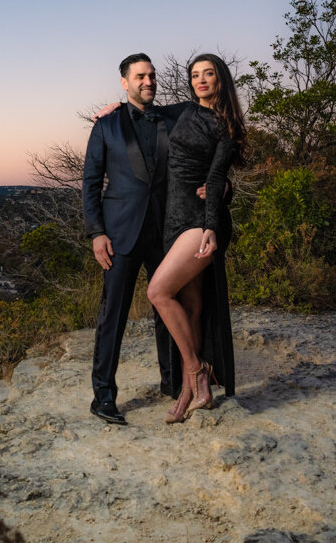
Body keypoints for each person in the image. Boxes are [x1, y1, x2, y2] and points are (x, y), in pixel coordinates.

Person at [82, 53, 187, 425]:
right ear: (124, 83)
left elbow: (202, 103)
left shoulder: (172, 117)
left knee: (168, 308)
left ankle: (173, 384)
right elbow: (91, 183)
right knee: (113, 315)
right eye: (140, 76)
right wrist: (97, 233)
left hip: (165, 232)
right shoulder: (105, 126)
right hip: (119, 234)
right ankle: (103, 397)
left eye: (152, 75)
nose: (149, 81)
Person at [147, 52, 245, 423]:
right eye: (195, 75)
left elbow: (218, 177)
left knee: (157, 292)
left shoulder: (226, 126)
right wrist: (114, 107)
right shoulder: (184, 111)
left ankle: (196, 371)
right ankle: (190, 392)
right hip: (173, 220)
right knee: (191, 307)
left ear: (220, 79)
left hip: (198, 221)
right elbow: (146, 111)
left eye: (208, 74)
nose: (200, 80)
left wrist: (211, 226)